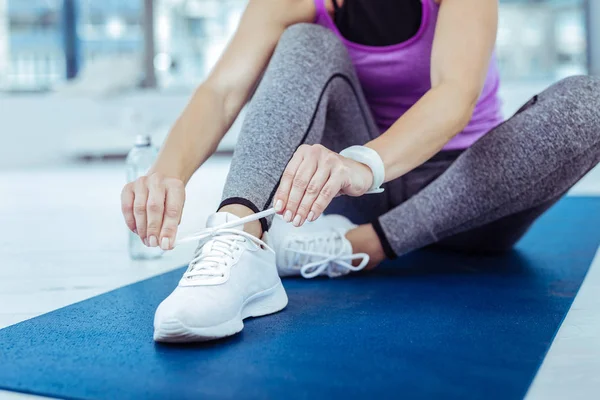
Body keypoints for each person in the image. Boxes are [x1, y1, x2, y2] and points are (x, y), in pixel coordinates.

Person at [120, 0, 600, 343]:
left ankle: (364, 246)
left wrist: (364, 163)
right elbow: (222, 90)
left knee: (590, 104)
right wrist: (168, 172)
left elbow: (454, 96)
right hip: (355, 192)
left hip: (470, 198)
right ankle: (240, 235)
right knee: (305, 40)